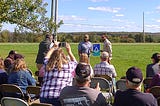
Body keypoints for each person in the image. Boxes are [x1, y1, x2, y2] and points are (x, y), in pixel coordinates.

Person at [40, 42, 77, 106]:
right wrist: (69, 51)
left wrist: (53, 48)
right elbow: (75, 62)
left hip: (44, 97)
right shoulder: (69, 66)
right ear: (64, 57)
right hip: (61, 98)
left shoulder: (48, 65)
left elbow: (46, 57)